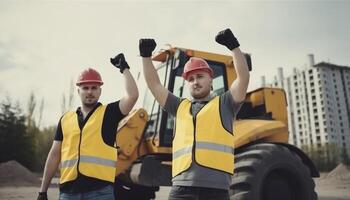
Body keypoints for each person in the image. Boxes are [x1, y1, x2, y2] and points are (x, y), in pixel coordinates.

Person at [139, 28, 250, 200]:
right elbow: (154, 85)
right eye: (190, 79)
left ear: (210, 79)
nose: (195, 82)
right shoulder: (178, 106)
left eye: (200, 76)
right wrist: (146, 57)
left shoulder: (225, 104)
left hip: (216, 190)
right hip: (181, 189)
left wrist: (234, 47)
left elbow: (243, 78)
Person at [37, 53, 139, 200]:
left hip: (100, 192)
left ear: (100, 90)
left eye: (94, 87)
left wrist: (124, 68)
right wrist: (42, 191)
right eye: (85, 88)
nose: (90, 92)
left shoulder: (109, 113)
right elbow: (54, 155)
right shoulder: (66, 119)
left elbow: (133, 95)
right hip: (68, 192)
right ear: (78, 90)